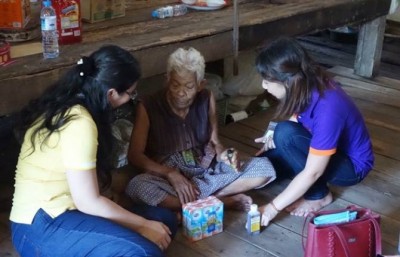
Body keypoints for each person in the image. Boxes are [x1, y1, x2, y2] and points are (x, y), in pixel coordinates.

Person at [10, 45, 177, 257]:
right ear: (111, 93)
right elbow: (87, 201)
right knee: (144, 251)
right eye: (130, 94)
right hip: (41, 227)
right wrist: (142, 225)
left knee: (163, 221)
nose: (130, 100)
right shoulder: (79, 121)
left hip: (67, 215)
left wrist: (144, 224)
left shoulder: (70, 102)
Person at [125, 47, 276, 212]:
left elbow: (215, 142)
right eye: (175, 85)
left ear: (200, 84)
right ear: (167, 80)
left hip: (205, 168)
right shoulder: (148, 105)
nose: (181, 92)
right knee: (137, 187)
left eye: (189, 86)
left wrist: (225, 155)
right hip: (168, 176)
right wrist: (170, 174)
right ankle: (222, 202)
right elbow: (135, 155)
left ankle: (208, 201)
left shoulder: (206, 98)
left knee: (264, 168)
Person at [254, 37, 374, 226]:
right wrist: (272, 135)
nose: (264, 86)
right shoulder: (306, 82)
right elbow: (299, 115)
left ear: (288, 82)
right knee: (274, 146)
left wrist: (271, 209)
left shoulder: (329, 108)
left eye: (267, 81)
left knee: (285, 135)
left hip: (351, 166)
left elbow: (313, 172)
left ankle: (319, 195)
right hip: (330, 150)